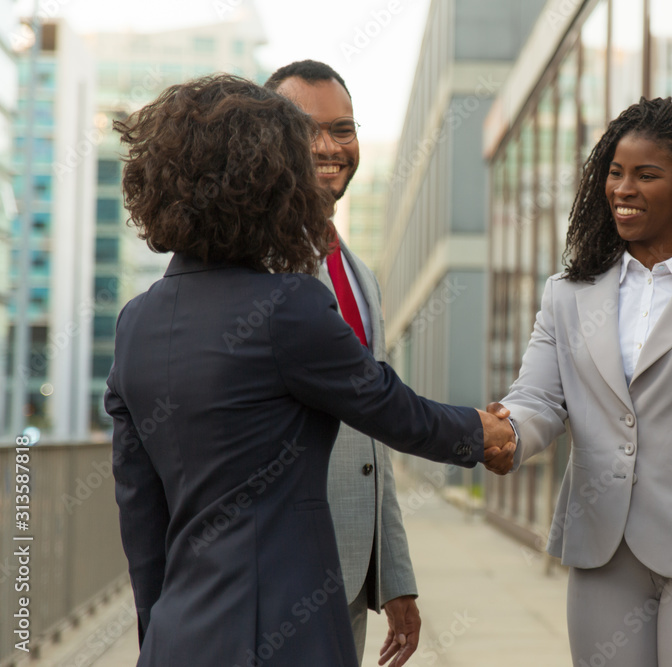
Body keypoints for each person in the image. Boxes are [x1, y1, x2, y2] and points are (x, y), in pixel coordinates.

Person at [105, 74, 515, 667]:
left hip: (181, 635)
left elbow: (140, 519)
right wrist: (485, 433)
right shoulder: (287, 307)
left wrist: (163, 635)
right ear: (272, 182)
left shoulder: (135, 322)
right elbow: (390, 408)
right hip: (289, 633)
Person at [488, 97, 672, 666]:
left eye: (647, 175)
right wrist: (508, 436)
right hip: (602, 549)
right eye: (615, 173)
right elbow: (539, 398)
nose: (624, 188)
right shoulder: (568, 294)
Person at [264, 60, 420, 667]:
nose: (330, 147)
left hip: (349, 580)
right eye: (308, 130)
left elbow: (371, 434)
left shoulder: (359, 275)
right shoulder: (252, 267)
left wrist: (396, 578)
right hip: (274, 579)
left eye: (344, 129)